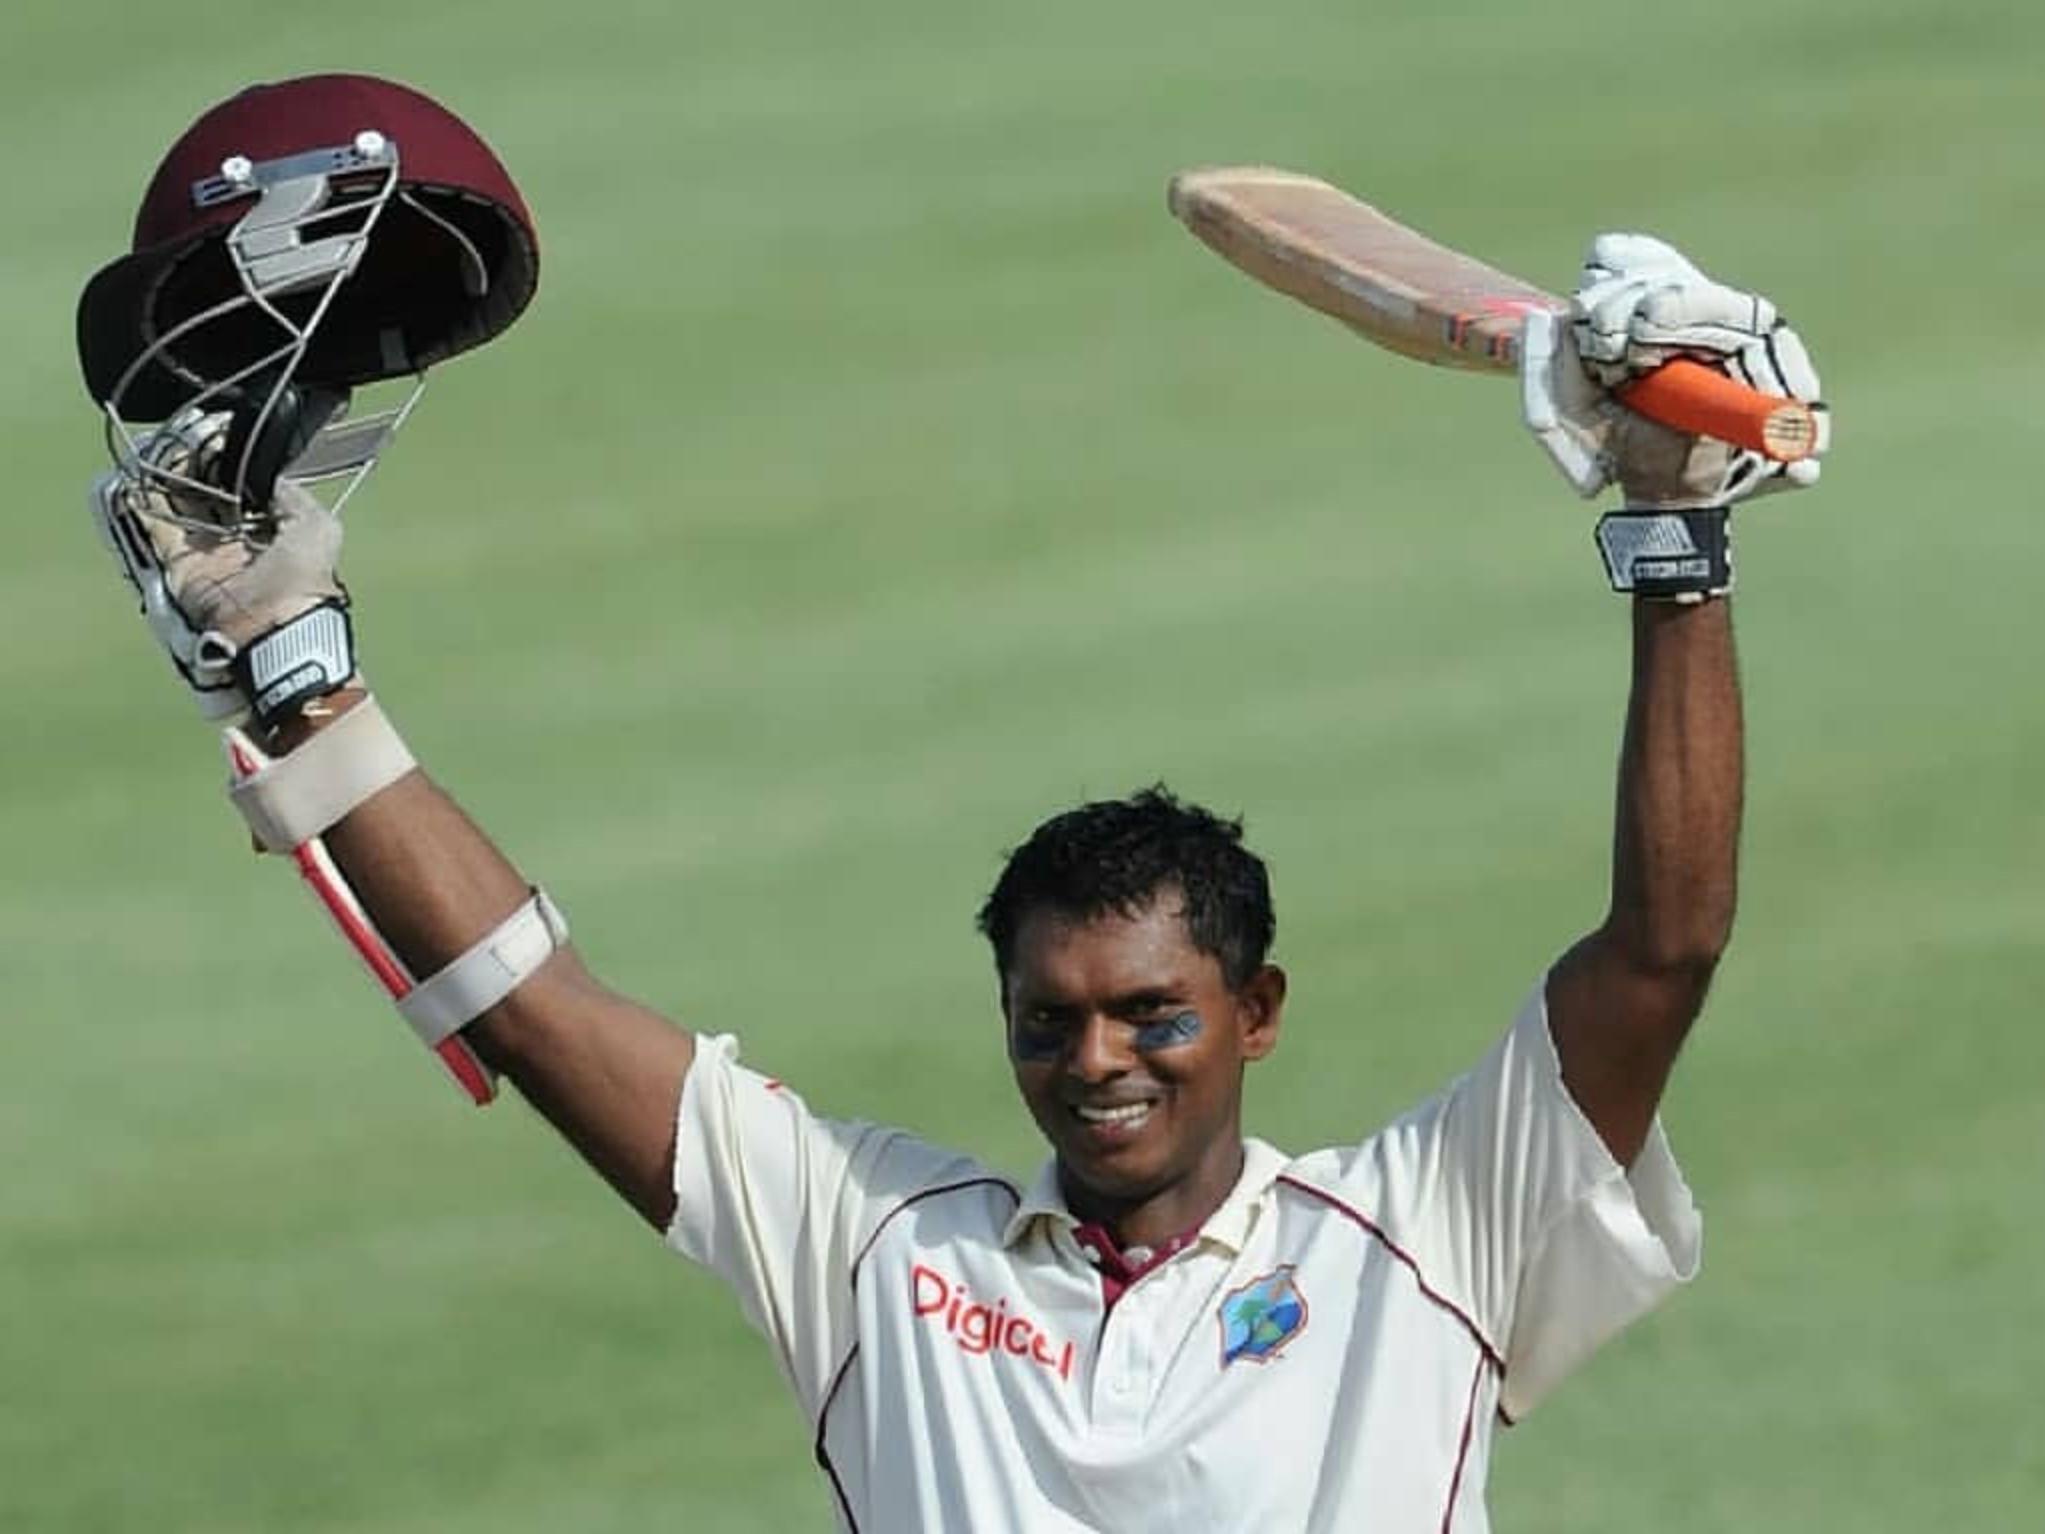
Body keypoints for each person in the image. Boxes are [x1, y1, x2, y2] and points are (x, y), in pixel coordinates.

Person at [83, 75, 1827, 1534]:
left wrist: (1673, 537)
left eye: (1151, 1013)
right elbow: (536, 1009)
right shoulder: (876, 1255)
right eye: (1048, 1020)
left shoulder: (1425, 1232)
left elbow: (1663, 948)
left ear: (1257, 1011)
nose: (1096, 1062)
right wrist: (300, 681)